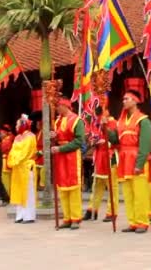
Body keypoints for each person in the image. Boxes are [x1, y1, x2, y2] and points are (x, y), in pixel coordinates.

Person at [106, 90, 151, 234]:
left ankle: (142, 222)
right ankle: (132, 222)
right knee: (128, 193)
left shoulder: (143, 120)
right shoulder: (121, 121)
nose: (124, 101)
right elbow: (115, 140)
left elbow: (145, 145)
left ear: (135, 101)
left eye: (127, 99)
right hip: (124, 158)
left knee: (139, 193)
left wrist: (139, 164)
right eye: (124, 99)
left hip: (136, 158)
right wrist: (106, 128)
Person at [50, 98, 85, 230]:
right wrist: (54, 136)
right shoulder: (58, 121)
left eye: (58, 106)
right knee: (62, 188)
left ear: (66, 106)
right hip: (60, 157)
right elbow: (58, 137)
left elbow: (79, 140)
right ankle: (67, 218)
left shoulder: (77, 120)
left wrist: (61, 148)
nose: (57, 109)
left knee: (73, 187)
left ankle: (76, 218)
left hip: (71, 156)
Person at [83, 106, 119, 222]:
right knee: (97, 185)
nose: (98, 115)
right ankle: (92, 209)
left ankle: (111, 211)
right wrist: (93, 141)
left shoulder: (113, 122)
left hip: (110, 156)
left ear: (107, 111)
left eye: (101, 112)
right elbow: (95, 136)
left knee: (112, 186)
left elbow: (114, 140)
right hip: (99, 156)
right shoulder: (97, 122)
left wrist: (105, 132)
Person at [7, 114, 37, 224]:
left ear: (23, 125)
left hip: (26, 166)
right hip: (17, 168)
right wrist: (13, 160)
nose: (15, 126)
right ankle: (20, 215)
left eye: (17, 124)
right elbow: (12, 151)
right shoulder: (17, 137)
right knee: (18, 191)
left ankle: (28, 216)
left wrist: (15, 159)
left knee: (27, 192)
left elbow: (25, 152)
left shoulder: (30, 136)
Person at [0, 124, 14, 204]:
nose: (1, 134)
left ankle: (7, 196)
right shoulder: (7, 139)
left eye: (2, 132)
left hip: (5, 161)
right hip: (5, 160)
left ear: (5, 133)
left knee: (6, 180)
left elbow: (3, 149)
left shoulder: (7, 140)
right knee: (6, 180)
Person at [33, 119, 45, 190]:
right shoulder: (37, 133)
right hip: (37, 153)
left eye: (38, 124)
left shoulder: (44, 133)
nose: (37, 126)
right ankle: (35, 184)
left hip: (43, 153)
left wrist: (41, 152)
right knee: (36, 170)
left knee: (43, 170)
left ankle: (42, 184)